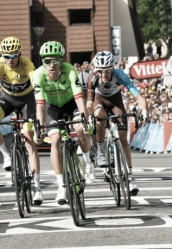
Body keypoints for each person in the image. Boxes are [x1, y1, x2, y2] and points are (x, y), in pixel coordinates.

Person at [33, 41, 94, 204]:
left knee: (80, 129)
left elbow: (79, 97)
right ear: (42, 62)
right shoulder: (38, 75)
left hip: (71, 104)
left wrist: (84, 119)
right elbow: (40, 105)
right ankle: (61, 187)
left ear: (61, 60)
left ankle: (88, 162)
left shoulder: (70, 70)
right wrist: (39, 128)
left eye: (55, 61)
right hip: (52, 107)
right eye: (47, 61)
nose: (51, 65)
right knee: (55, 140)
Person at [0, 37, 43, 205]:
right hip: (7, 99)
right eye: (6, 56)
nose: (9, 60)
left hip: (27, 101)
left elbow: (37, 89)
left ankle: (37, 188)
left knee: (28, 138)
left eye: (13, 56)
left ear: (19, 55)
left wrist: (40, 114)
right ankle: (6, 156)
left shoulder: (27, 65)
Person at [86, 51, 148, 196]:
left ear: (112, 68)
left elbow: (138, 95)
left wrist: (144, 111)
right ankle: (101, 151)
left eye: (108, 70)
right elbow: (89, 103)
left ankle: (129, 176)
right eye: (101, 71)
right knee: (99, 115)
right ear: (96, 70)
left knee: (122, 138)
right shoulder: (93, 76)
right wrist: (90, 116)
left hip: (116, 102)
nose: (104, 74)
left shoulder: (119, 74)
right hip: (99, 101)